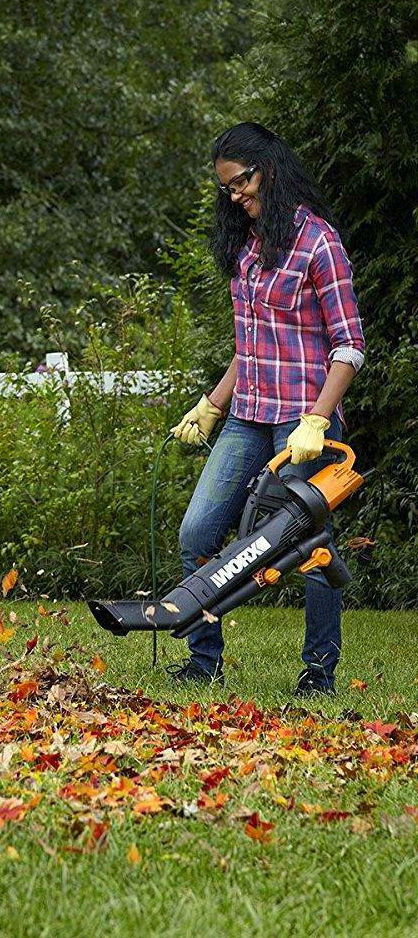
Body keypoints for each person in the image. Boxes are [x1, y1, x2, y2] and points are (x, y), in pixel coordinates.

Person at [167, 121, 365, 697]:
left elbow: (349, 346)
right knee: (198, 531)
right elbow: (250, 343)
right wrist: (212, 404)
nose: (235, 195)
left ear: (269, 170)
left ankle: (318, 672)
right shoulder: (247, 245)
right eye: (226, 188)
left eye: (241, 182)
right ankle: (203, 661)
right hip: (247, 415)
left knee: (309, 545)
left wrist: (318, 419)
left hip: (302, 421)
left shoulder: (318, 243)